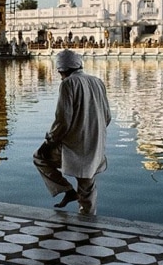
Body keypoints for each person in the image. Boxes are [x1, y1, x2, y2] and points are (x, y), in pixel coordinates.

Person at [33, 49, 112, 215]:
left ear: (61, 70)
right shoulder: (97, 81)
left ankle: (67, 190)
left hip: (75, 146)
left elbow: (63, 121)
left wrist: (48, 143)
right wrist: (92, 131)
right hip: (95, 144)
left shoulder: (68, 84)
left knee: (39, 157)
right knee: (87, 186)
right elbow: (108, 117)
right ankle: (88, 224)